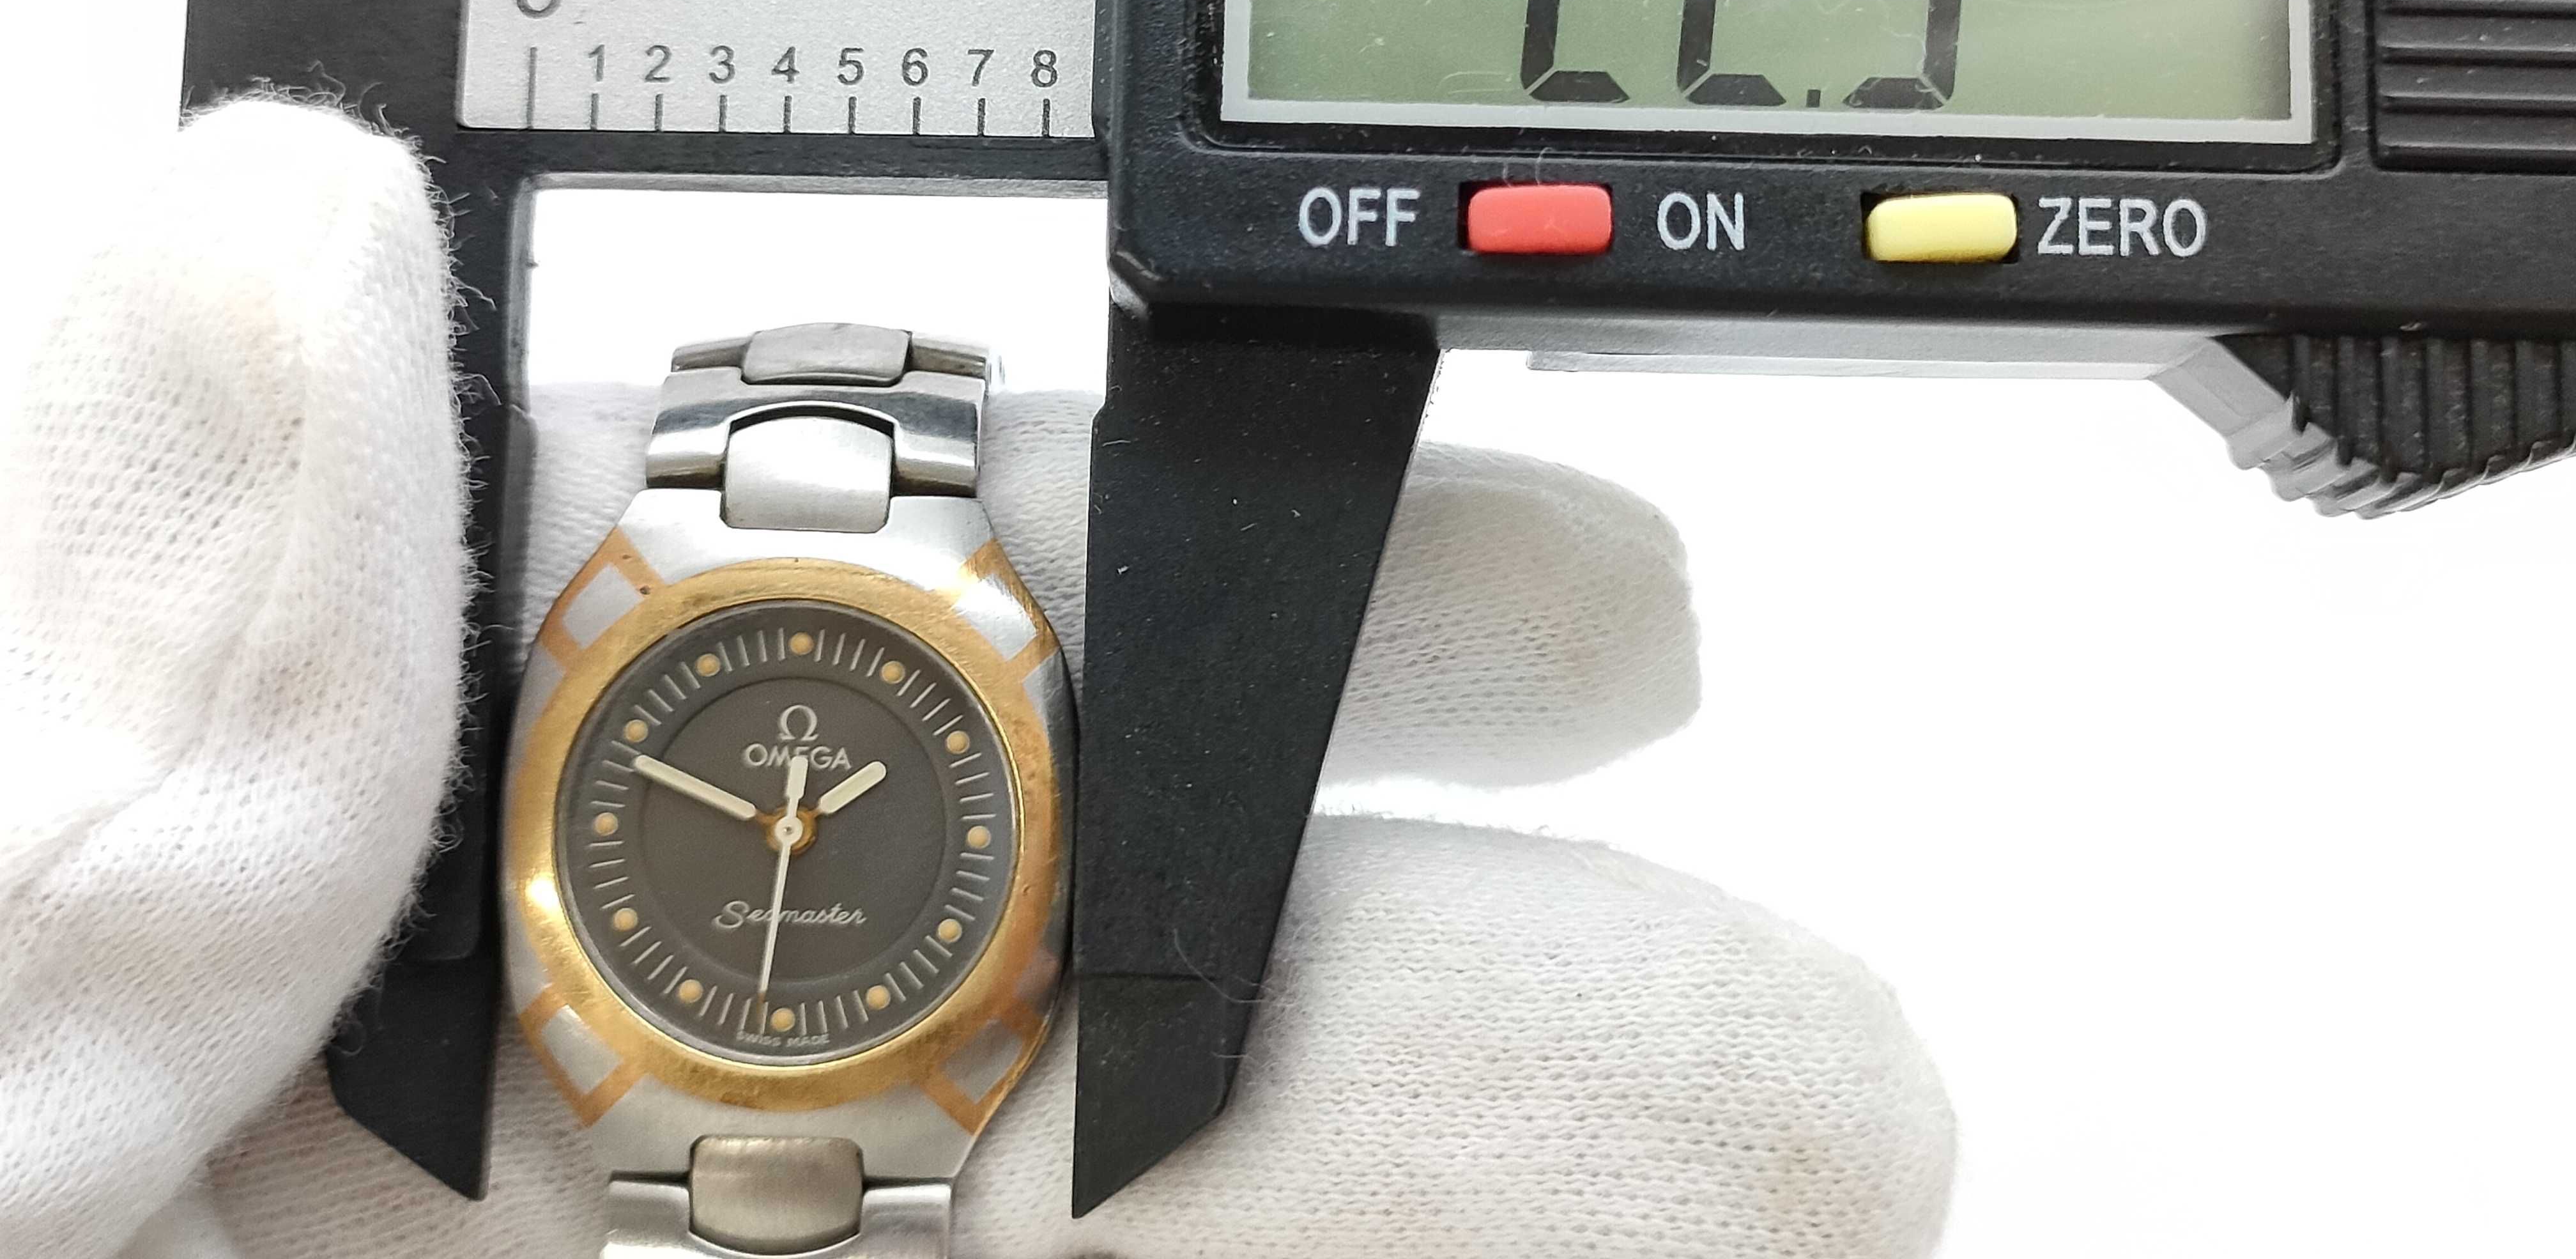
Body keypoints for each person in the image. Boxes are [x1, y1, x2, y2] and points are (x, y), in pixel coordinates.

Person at [0, 100, 1954, 1258]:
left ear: (1055, 747)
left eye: (807, 806)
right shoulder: (618, 770)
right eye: (767, 807)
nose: (784, 821)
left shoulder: (938, 697)